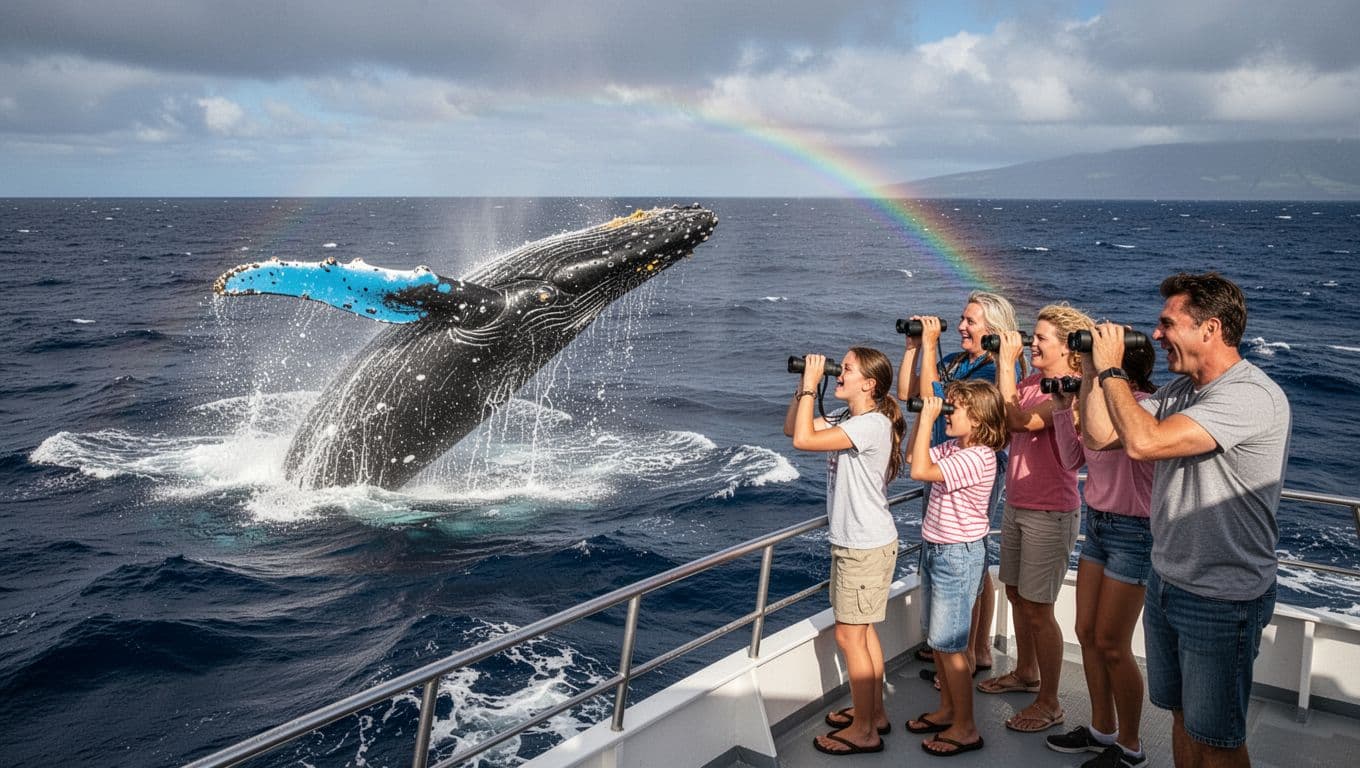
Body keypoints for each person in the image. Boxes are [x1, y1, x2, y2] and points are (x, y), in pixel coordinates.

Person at [1080, 273, 1291, 768]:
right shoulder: (1180, 392)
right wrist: (1092, 369)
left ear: (1210, 328)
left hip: (1222, 597)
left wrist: (1113, 372)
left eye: (1167, 324)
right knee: (1181, 718)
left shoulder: (1250, 396)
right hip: (1168, 583)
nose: (1156, 335)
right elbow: (1098, 436)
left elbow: (1144, 443)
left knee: (1217, 741)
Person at [785, 347, 907, 756]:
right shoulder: (851, 419)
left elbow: (804, 441)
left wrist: (809, 386)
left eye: (846, 368)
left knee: (850, 637)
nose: (839, 372)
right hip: (858, 543)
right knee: (863, 633)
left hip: (864, 546)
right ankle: (873, 714)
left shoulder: (871, 424)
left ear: (868, 384)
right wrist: (802, 387)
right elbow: (792, 428)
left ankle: (864, 731)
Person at [977, 304, 1093, 737]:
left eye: (1042, 338)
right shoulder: (1029, 381)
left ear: (1067, 348)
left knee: (1040, 609)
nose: (1033, 342)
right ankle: (1026, 672)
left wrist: (1005, 363)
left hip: (1050, 512)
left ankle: (1050, 702)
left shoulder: (1067, 388)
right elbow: (1003, 425)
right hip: (1019, 503)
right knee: (1016, 593)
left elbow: (1018, 421)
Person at [898, 291, 1026, 679]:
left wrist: (932, 345)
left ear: (994, 329)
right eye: (962, 319)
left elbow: (934, 396)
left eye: (971, 321)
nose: (961, 327)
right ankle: (959, 646)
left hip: (969, 464)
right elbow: (910, 395)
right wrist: (914, 349)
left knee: (967, 554)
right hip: (941, 457)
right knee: (966, 555)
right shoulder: (956, 362)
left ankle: (969, 649)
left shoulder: (995, 370)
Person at [1046, 341, 1157, 768]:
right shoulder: (1094, 407)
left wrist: (1092, 391)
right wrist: (1062, 408)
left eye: (1092, 362)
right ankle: (1101, 729)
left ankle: (1130, 746)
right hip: (1099, 526)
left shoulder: (1144, 407)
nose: (1084, 368)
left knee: (1113, 643)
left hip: (1134, 530)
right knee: (1087, 632)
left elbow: (1118, 442)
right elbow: (1074, 457)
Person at [904, 380, 1008, 757]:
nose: (947, 413)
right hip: (937, 549)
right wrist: (922, 419)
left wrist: (928, 413)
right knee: (939, 644)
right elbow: (912, 457)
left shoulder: (979, 456)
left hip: (956, 555)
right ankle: (948, 709)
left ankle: (966, 728)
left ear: (978, 419)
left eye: (955, 408)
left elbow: (919, 471)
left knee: (952, 647)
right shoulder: (955, 446)